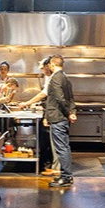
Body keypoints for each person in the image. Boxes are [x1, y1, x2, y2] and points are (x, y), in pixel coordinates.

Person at [43, 54, 76, 188]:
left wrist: (69, 112)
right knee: (64, 147)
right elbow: (71, 98)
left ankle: (66, 177)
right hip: (62, 117)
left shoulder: (55, 78)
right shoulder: (65, 78)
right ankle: (66, 175)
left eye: (49, 65)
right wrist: (72, 112)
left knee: (61, 148)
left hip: (58, 117)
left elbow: (59, 98)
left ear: (52, 64)